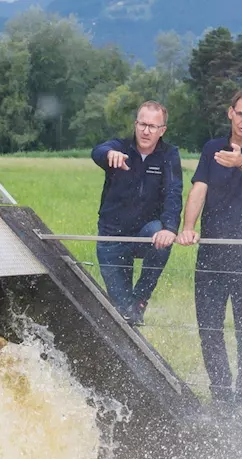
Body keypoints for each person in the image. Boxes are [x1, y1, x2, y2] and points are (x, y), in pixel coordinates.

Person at [177, 89, 242, 410]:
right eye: (241, 114)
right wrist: (188, 226)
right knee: (210, 327)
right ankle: (221, 393)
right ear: (230, 113)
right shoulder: (211, 149)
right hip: (211, 253)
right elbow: (199, 189)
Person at [91, 101, 183, 326]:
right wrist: (109, 154)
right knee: (123, 314)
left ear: (162, 130)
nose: (146, 131)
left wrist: (170, 229)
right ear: (135, 124)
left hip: (145, 232)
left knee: (160, 235)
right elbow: (98, 151)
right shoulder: (120, 148)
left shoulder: (169, 155)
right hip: (112, 236)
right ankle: (131, 319)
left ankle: (141, 298)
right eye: (142, 124)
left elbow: (174, 192)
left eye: (153, 126)